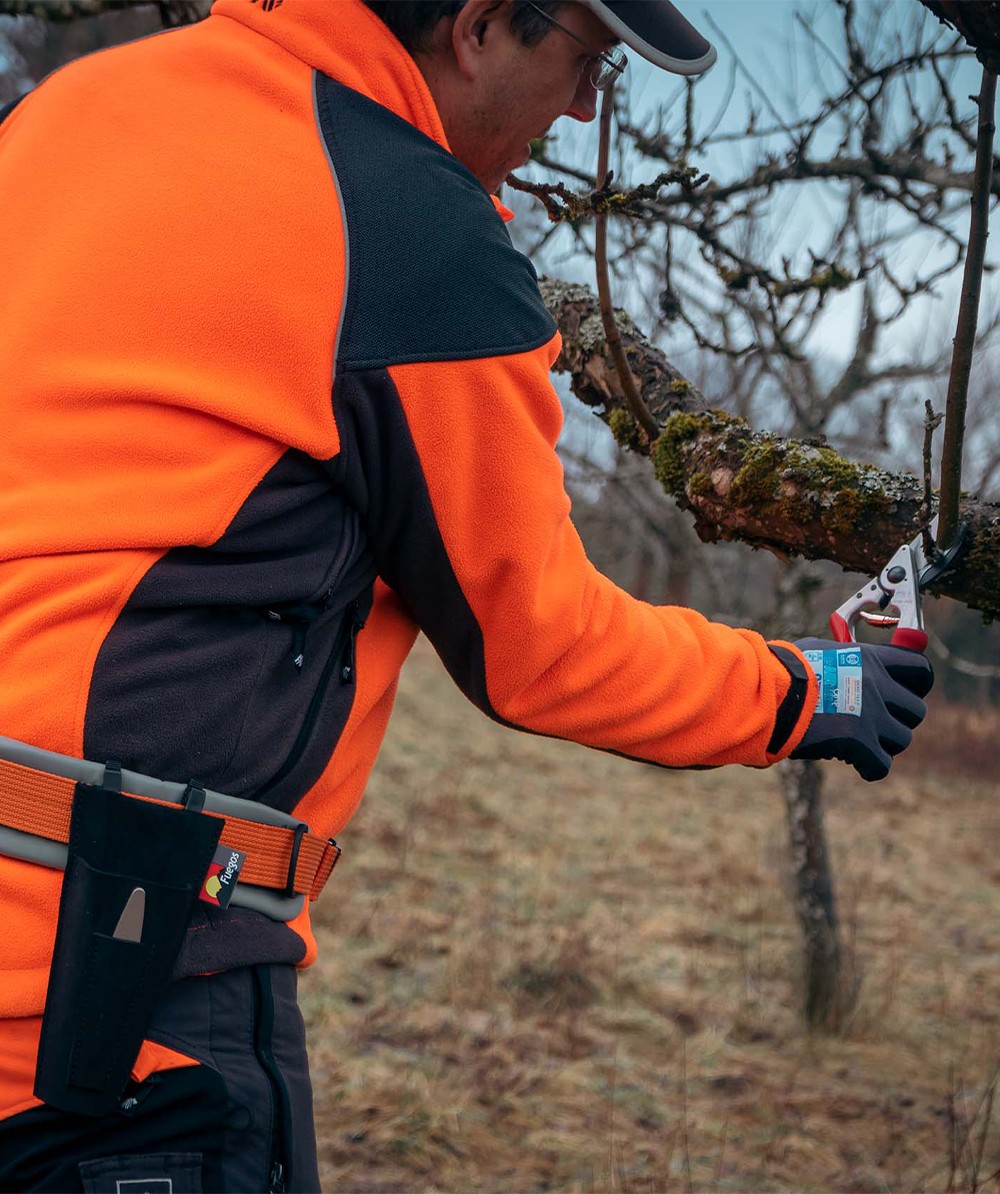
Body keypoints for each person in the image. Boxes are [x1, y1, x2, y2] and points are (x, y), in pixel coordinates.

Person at [0, 1, 932, 1189]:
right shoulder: (410, 228)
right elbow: (538, 642)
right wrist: (808, 692)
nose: (587, 106)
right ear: (482, 25)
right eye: (585, 60)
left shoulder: (66, 110)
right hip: (116, 998)